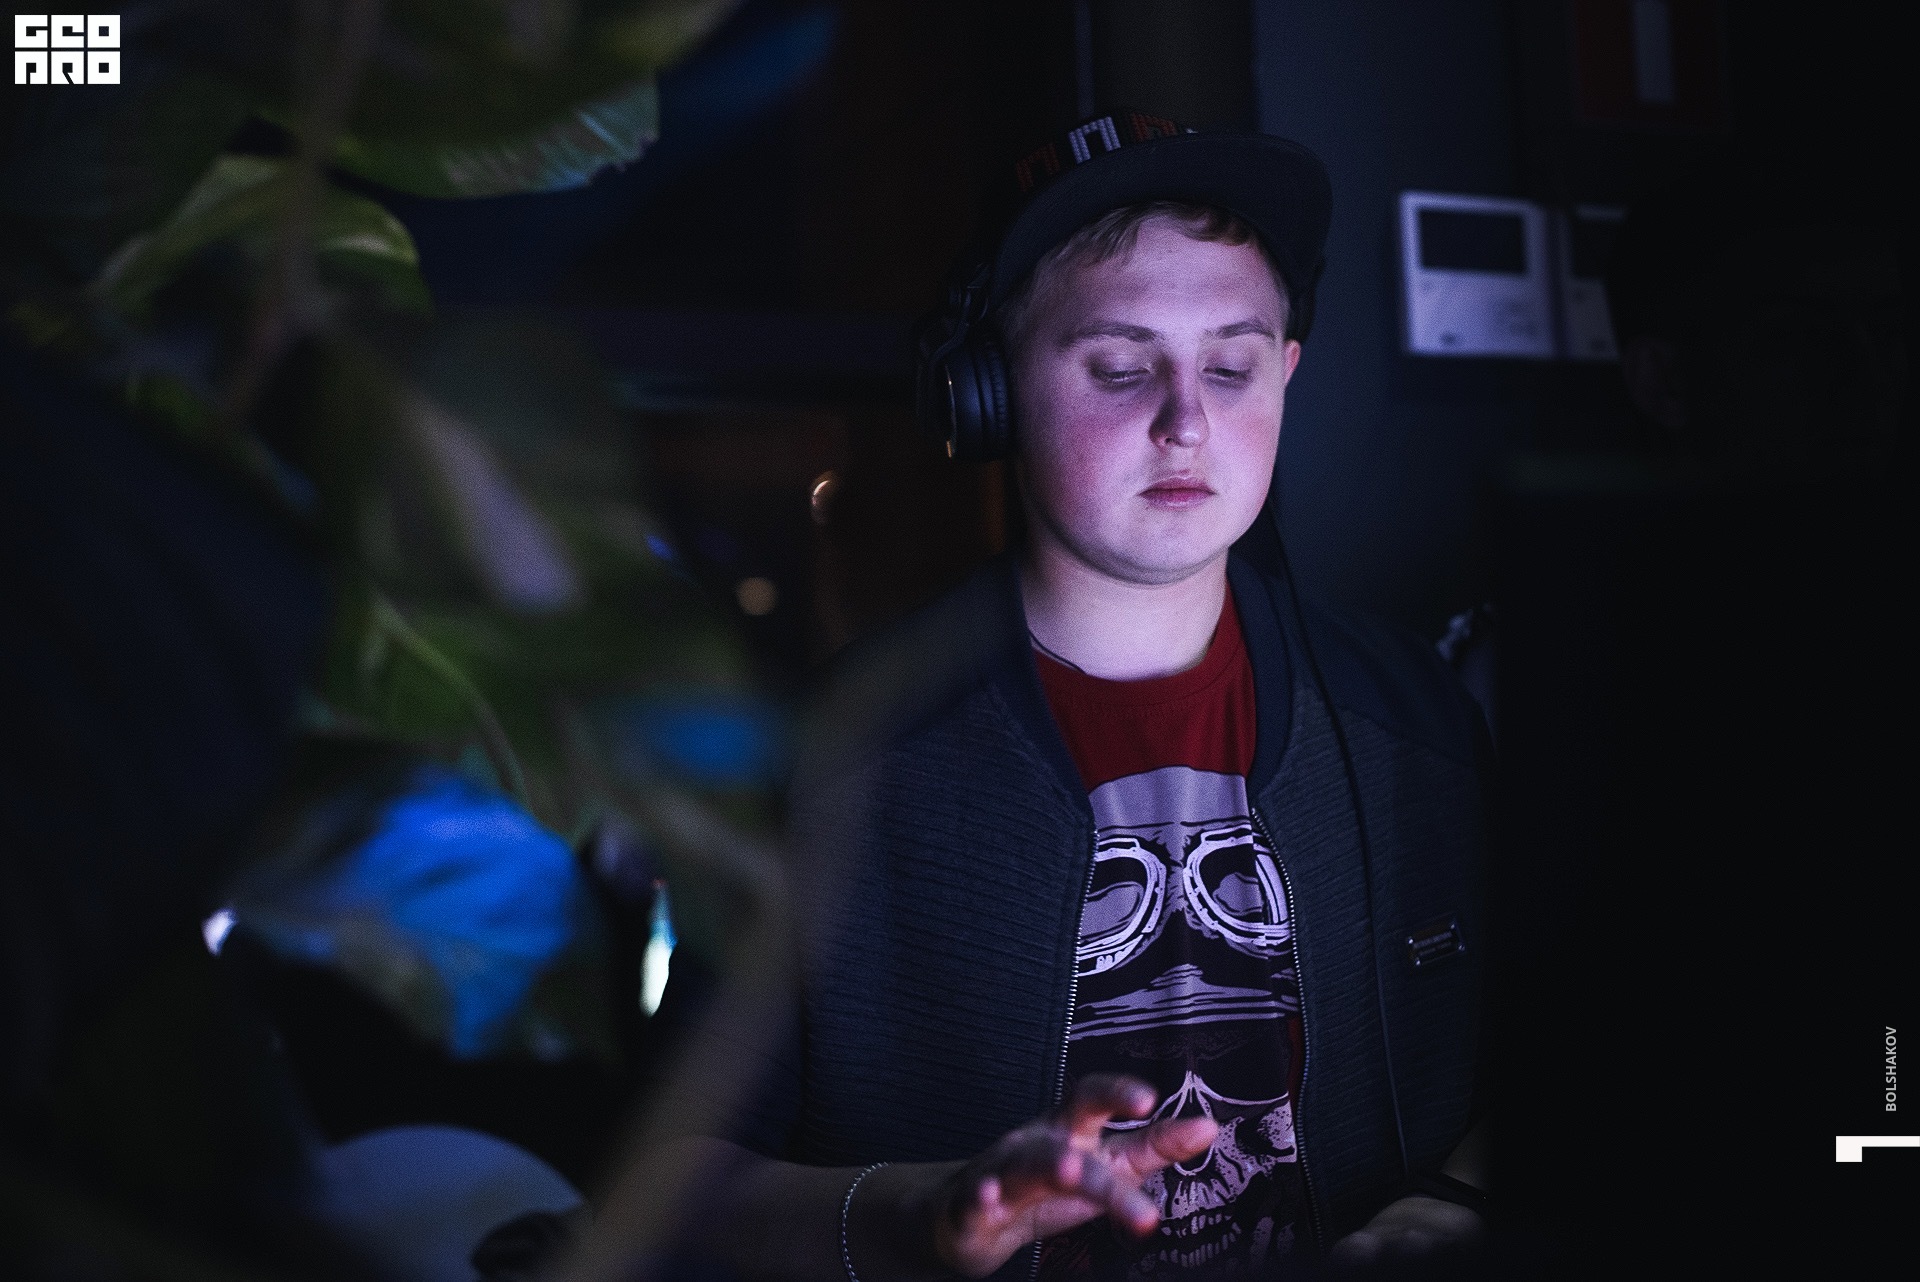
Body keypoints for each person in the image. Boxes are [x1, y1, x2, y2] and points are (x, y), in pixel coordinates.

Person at [668, 115, 1492, 1281]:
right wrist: (917, 1216)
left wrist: (1453, 1201)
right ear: (989, 393)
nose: (1186, 419)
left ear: (1286, 376)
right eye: (1118, 365)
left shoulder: (1416, 720)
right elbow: (671, 1183)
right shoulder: (826, 757)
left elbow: (1578, 1036)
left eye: (1230, 367)